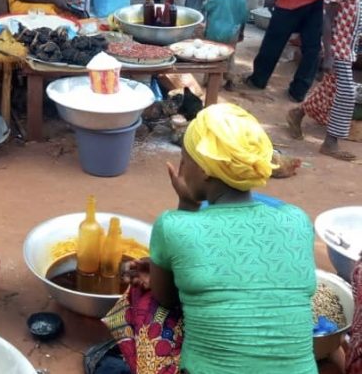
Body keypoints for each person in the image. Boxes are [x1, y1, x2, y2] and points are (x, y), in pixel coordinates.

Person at [109, 103, 317, 374]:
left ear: (205, 169)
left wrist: (186, 204)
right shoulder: (297, 220)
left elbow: (167, 298)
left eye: (185, 159)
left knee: (143, 296)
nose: (181, 168)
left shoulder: (174, 225)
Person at [287, 0, 362, 161]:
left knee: (329, 89)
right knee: (346, 94)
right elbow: (327, 20)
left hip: (346, 48)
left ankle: (297, 112)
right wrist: (328, 55)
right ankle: (331, 142)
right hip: (337, 49)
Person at [203, 0, 249, 89]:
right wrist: (241, 33)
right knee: (230, 55)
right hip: (233, 34)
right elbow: (244, 17)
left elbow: (206, 7)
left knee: (213, 56)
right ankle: (230, 81)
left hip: (215, 35)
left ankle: (210, 82)